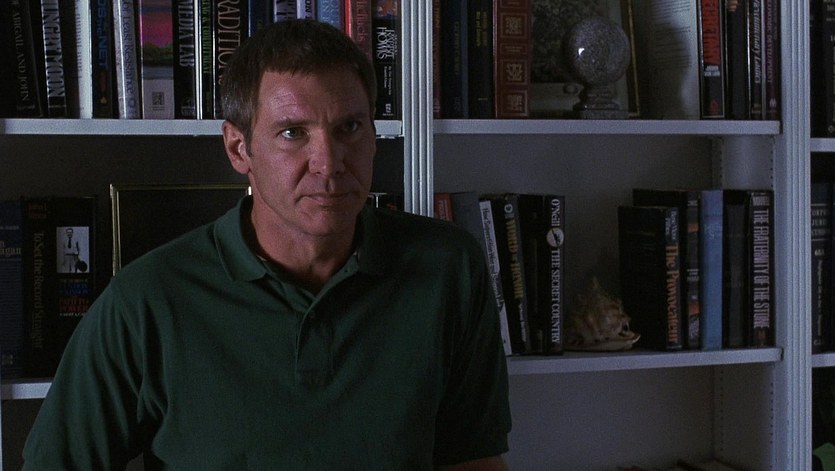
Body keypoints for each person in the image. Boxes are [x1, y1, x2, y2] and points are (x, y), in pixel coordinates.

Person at [23, 19, 511, 470]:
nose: (329, 162)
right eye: (293, 133)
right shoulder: (147, 300)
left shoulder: (448, 268)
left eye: (349, 127)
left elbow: (474, 461)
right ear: (239, 149)